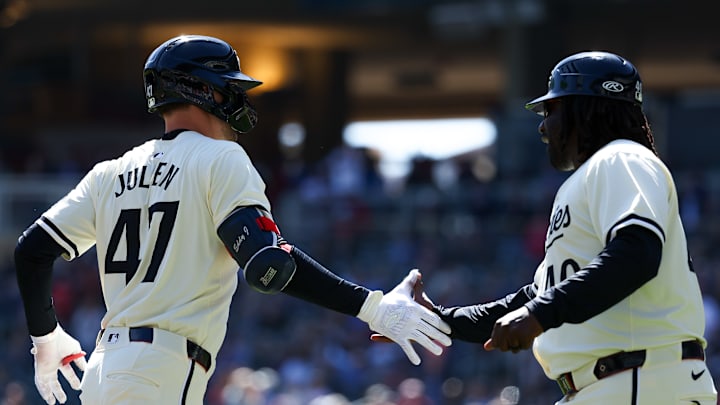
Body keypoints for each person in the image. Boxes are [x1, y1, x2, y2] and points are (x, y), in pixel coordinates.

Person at [14, 34, 451, 405]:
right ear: (202, 90)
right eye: (228, 88)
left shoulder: (110, 172)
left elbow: (32, 250)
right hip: (162, 369)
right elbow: (267, 265)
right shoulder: (221, 157)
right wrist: (372, 308)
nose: (236, 98)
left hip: (103, 372)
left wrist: (46, 337)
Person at [400, 51, 718, 403]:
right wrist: (443, 320)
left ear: (587, 108)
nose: (543, 125)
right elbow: (535, 297)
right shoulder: (594, 174)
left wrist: (538, 314)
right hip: (616, 383)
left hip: (639, 380)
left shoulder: (622, 157)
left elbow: (637, 251)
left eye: (552, 110)